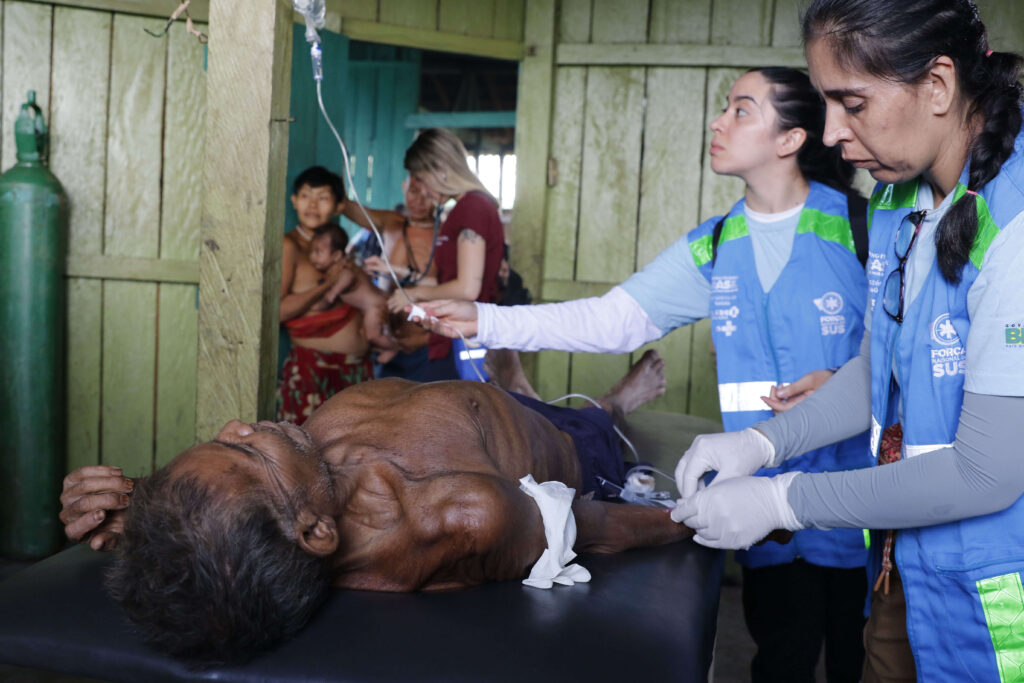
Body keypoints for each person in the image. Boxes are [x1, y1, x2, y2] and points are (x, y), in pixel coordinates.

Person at [413, 67, 873, 682]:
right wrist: (486, 319)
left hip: (864, 510)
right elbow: (610, 322)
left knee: (868, 662)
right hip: (764, 515)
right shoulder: (717, 244)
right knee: (782, 661)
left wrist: (845, 382)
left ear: (790, 139)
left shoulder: (865, 229)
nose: (718, 121)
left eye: (740, 110)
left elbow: (909, 360)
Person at [667, 2, 1024, 681]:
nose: (831, 133)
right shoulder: (898, 199)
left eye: (851, 103)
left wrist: (782, 500)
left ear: (939, 86)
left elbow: (987, 471)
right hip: (903, 567)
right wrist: (762, 444)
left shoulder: (1017, 224)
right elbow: (881, 368)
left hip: (996, 593)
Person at [58, 352, 687, 664]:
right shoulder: (464, 511)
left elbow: (229, 509)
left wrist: (150, 509)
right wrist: (713, 516)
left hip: (467, 405)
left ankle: (515, 387)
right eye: (248, 454)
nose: (238, 424)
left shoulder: (285, 506)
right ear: (316, 531)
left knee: (511, 394)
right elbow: (599, 527)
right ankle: (612, 403)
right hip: (570, 449)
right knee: (591, 421)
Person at [391, 128, 506, 381]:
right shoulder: (462, 209)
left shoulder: (472, 207)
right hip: (454, 333)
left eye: (423, 180)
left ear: (440, 170)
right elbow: (450, 278)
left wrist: (413, 293)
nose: (425, 192)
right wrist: (406, 281)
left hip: (465, 338)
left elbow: (466, 289)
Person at [278, 167, 373, 424]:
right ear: (294, 200)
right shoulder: (291, 246)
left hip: (354, 369)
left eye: (322, 197)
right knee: (308, 452)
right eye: (306, 195)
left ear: (337, 205)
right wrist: (326, 285)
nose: (312, 204)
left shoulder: (338, 245)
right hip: (314, 371)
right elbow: (279, 311)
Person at [343, 176, 441, 381]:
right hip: (388, 343)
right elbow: (345, 206)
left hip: (426, 347)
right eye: (414, 191)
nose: (420, 201)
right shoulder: (391, 223)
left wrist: (395, 271)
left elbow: (452, 287)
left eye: (429, 194)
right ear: (404, 187)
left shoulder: (445, 235)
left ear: (441, 195)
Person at [304, 223, 399, 364]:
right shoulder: (338, 267)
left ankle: (394, 348)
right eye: (311, 251)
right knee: (372, 333)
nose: (312, 257)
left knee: (372, 335)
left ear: (336, 255)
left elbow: (347, 278)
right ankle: (384, 346)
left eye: (318, 252)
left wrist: (331, 294)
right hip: (373, 305)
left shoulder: (344, 269)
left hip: (375, 306)